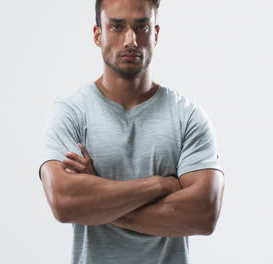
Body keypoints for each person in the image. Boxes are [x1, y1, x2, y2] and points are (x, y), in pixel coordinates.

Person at [38, 0, 225, 263]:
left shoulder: (188, 117)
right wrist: (160, 185)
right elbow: (64, 201)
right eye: (116, 26)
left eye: (142, 27)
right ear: (98, 34)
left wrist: (96, 199)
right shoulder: (71, 113)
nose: (130, 40)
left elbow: (204, 214)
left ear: (155, 34)